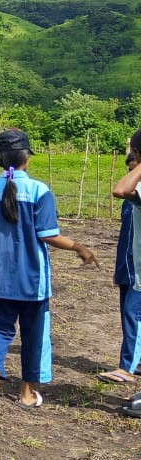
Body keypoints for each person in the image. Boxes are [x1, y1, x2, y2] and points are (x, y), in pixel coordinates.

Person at [0, 128, 98, 414]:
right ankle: (26, 393)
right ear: (26, 158)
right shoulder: (40, 190)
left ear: (0, 159)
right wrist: (79, 247)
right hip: (32, 279)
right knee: (33, 334)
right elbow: (48, 235)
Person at [102, 145, 141, 385]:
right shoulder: (131, 201)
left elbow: (120, 189)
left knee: (132, 313)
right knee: (131, 312)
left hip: (138, 268)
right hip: (129, 265)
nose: (131, 175)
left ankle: (126, 366)